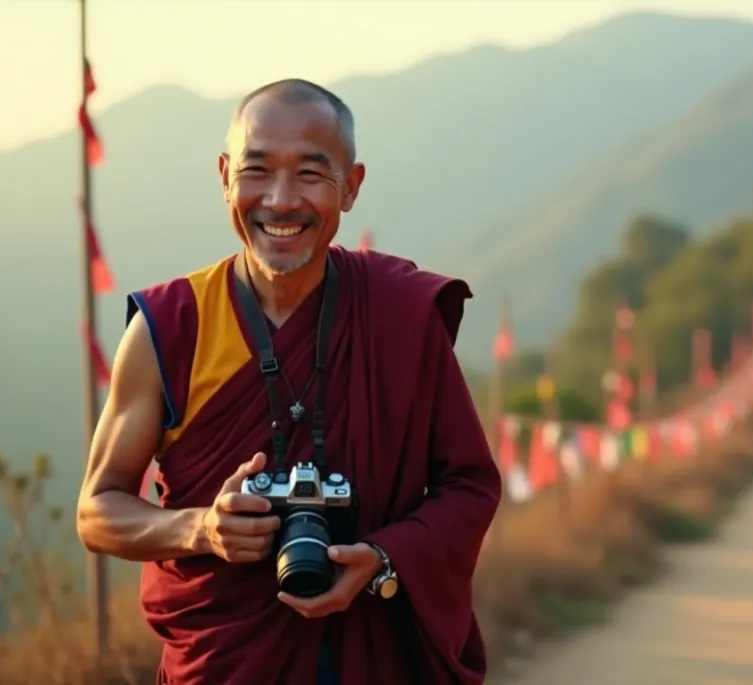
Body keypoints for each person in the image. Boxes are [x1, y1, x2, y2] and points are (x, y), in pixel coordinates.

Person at [75, 78, 502, 685]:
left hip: (377, 658)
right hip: (226, 663)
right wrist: (201, 528)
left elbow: (468, 483)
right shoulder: (171, 329)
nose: (279, 201)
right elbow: (97, 512)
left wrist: (384, 559)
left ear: (349, 188)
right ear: (225, 175)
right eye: (257, 170)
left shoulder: (398, 314)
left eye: (309, 174)